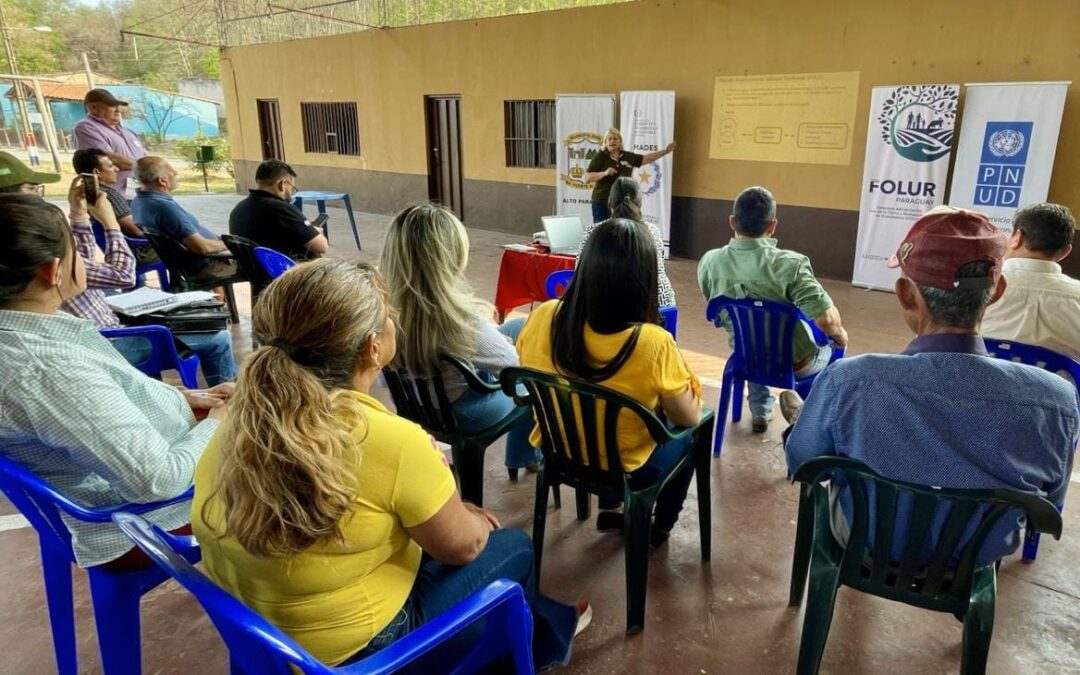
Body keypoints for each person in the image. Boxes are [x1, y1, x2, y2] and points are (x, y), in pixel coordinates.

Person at [192, 259, 585, 669]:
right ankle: (528, 649)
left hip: (266, 646)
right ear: (372, 347)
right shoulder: (387, 440)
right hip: (361, 656)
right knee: (512, 546)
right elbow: (463, 548)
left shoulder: (241, 417)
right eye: (388, 318)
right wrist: (472, 517)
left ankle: (548, 627)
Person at [784, 207, 1079, 564]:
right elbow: (1049, 498)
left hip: (866, 542)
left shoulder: (850, 379)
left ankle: (804, 416)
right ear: (997, 291)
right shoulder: (1058, 400)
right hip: (974, 557)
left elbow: (803, 460)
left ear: (906, 294)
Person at [0, 193, 232, 570]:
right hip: (146, 521)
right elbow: (157, 481)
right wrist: (222, 421)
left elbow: (100, 406)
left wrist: (192, 397)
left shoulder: (29, 331)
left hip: (135, 467)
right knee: (302, 462)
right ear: (52, 271)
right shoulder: (44, 370)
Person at [516, 218, 705, 546]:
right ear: (644, 278)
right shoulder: (652, 343)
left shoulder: (544, 316)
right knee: (696, 434)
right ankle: (658, 528)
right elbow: (686, 418)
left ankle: (611, 503)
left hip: (558, 453)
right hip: (626, 469)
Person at [379, 204, 540, 475]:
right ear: (450, 258)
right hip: (463, 413)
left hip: (415, 404)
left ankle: (523, 457)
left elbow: (384, 378)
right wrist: (494, 337)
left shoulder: (384, 310)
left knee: (521, 324)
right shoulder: (460, 320)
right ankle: (523, 456)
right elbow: (514, 369)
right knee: (534, 384)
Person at [697, 186, 848, 432]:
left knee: (754, 340)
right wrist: (840, 336)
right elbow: (826, 321)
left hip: (747, 357)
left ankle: (760, 413)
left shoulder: (709, 262)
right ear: (773, 226)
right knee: (832, 345)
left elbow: (716, 310)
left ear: (732, 222)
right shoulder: (791, 265)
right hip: (796, 364)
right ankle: (815, 420)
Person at [980, 203, 1080, 360]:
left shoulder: (975, 287)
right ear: (1066, 251)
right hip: (1057, 384)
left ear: (1017, 237)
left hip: (973, 382)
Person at [131, 156, 239, 283]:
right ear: (162, 181)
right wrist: (229, 244)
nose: (176, 174)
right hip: (206, 266)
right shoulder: (164, 208)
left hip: (186, 264)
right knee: (261, 265)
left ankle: (220, 299)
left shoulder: (139, 202)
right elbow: (201, 247)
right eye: (172, 171)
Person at [578, 176, 676, 307]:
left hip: (604, 315)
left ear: (609, 202)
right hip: (660, 311)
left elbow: (579, 273)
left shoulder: (592, 232)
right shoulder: (653, 232)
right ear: (640, 204)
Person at [72, 147, 159, 265]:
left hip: (116, 248)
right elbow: (136, 230)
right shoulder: (107, 196)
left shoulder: (84, 195)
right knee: (184, 246)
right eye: (111, 166)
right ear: (97, 173)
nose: (116, 169)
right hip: (135, 252)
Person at [228, 159, 328, 260]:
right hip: (284, 272)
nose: (291, 193)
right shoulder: (280, 208)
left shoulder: (239, 208)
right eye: (292, 188)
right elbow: (321, 247)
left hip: (252, 270)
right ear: (282, 184)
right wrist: (315, 231)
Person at [583, 128, 674, 223]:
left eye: (615, 138)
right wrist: (604, 173)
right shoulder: (600, 157)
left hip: (623, 202)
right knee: (602, 231)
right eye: (609, 139)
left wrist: (665, 151)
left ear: (620, 142)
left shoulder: (628, 156)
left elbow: (647, 158)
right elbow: (587, 178)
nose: (612, 141)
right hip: (602, 201)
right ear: (605, 142)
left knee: (623, 230)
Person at [72, 88, 147, 198]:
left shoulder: (127, 131)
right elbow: (107, 159)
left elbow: (144, 155)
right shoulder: (86, 127)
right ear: (92, 107)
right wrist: (147, 167)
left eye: (118, 106)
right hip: (111, 195)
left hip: (137, 193)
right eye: (111, 105)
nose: (118, 110)